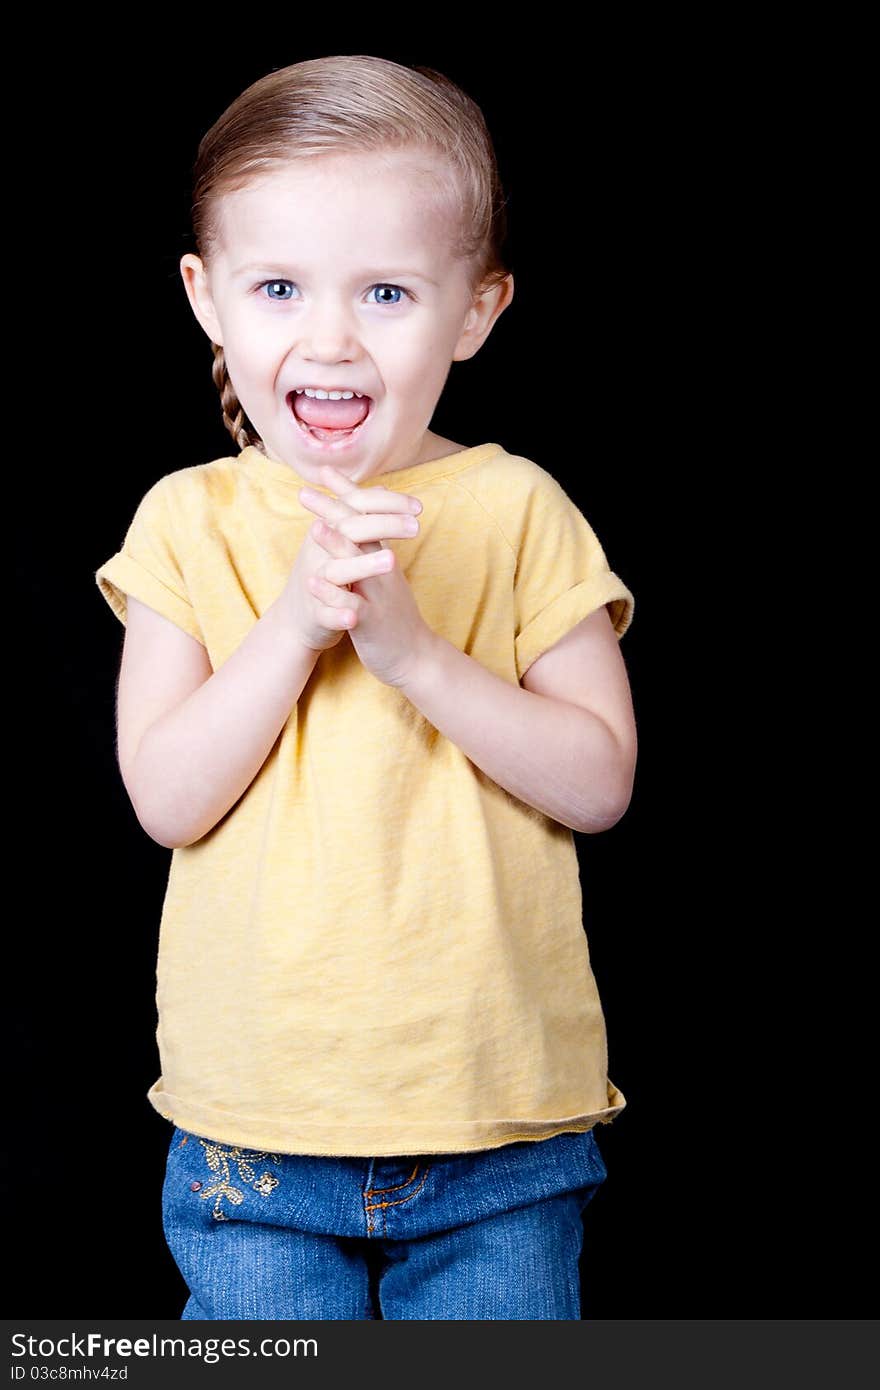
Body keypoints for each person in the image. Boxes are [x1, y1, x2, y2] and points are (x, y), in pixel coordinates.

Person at [94, 54, 637, 1321]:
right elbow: (167, 796)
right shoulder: (190, 520)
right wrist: (293, 626)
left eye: (386, 291)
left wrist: (413, 655)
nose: (328, 338)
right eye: (278, 286)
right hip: (256, 1135)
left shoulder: (513, 508)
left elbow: (599, 778)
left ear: (475, 311)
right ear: (207, 299)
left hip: (496, 1129)